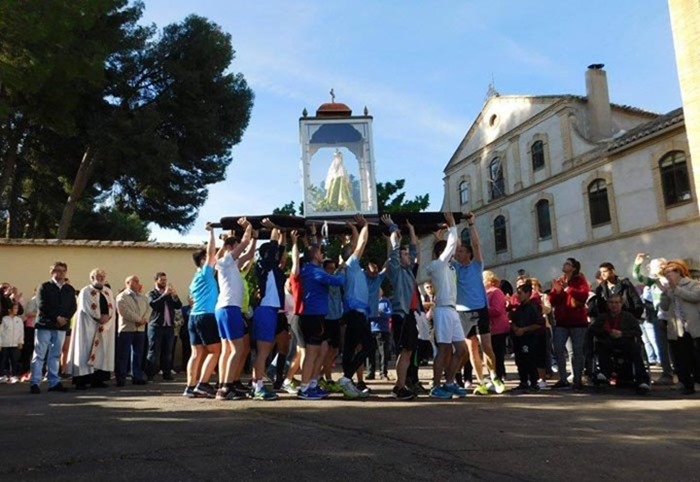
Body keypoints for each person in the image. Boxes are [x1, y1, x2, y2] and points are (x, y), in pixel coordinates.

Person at [453, 212, 505, 395]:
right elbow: (453, 244)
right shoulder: (455, 268)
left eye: (460, 251)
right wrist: (452, 226)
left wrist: (471, 224)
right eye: (457, 251)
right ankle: (481, 382)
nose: (457, 253)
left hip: (480, 310)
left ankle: (494, 377)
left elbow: (475, 243)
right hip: (463, 312)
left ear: (468, 254)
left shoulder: (477, 265)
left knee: (487, 346)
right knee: (471, 349)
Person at [426, 212, 468, 399]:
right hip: (442, 310)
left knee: (461, 350)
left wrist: (439, 237)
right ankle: (436, 387)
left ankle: (449, 382)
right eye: (449, 253)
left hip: (452, 311)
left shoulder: (448, 266)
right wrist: (452, 225)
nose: (453, 254)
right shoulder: (438, 265)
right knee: (444, 349)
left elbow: (451, 246)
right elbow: (451, 246)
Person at [213, 217, 256, 401]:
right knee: (237, 349)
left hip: (225, 308)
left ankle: (223, 386)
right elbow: (244, 244)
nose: (241, 248)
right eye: (237, 246)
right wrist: (247, 227)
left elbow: (249, 254)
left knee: (227, 350)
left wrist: (254, 238)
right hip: (229, 308)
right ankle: (226, 387)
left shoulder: (230, 265)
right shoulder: (226, 260)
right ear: (232, 247)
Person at [298, 238, 345, 400]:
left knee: (318, 351)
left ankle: (311, 384)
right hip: (313, 316)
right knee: (312, 354)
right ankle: (304, 388)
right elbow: (338, 281)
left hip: (314, 315)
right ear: (315, 255)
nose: (322, 254)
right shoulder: (315, 271)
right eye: (320, 252)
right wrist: (342, 268)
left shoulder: (308, 269)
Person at [381, 214, 420, 401]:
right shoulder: (395, 270)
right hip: (400, 314)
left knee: (409, 350)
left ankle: (400, 385)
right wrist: (392, 227)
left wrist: (411, 229)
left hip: (409, 314)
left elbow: (414, 251)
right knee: (404, 350)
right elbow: (395, 250)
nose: (408, 256)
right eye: (404, 254)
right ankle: (399, 386)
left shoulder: (407, 270)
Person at [336, 214, 373, 399]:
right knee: (369, 346)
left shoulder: (349, 265)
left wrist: (353, 230)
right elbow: (362, 242)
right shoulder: (351, 263)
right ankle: (346, 378)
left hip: (354, 313)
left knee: (350, 349)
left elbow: (358, 242)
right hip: (355, 314)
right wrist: (364, 225)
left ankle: (347, 382)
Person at [184, 223, 222, 399]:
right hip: (206, 316)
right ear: (203, 261)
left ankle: (190, 387)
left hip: (193, 317)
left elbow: (216, 255)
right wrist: (212, 232)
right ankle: (203, 384)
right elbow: (212, 252)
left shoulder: (195, 278)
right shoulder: (206, 273)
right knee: (216, 351)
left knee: (196, 353)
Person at [30, 262, 77, 394]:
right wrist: (56, 317)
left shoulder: (69, 289)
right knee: (39, 354)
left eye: (63, 271)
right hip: (45, 325)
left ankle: (54, 382)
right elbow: (42, 305)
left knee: (55, 355)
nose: (60, 273)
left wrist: (65, 318)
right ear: (52, 272)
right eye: (57, 271)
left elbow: (73, 307)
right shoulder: (44, 287)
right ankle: (35, 382)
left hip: (61, 327)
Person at [589, 294, 651, 393]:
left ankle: (641, 380)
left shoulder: (629, 317)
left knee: (636, 350)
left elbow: (638, 332)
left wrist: (622, 334)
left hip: (625, 343)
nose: (614, 305)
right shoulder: (603, 317)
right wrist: (607, 332)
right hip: (608, 343)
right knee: (600, 346)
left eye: (617, 303)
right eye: (611, 302)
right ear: (608, 304)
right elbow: (592, 330)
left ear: (621, 304)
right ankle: (604, 374)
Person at [67, 269, 116, 389]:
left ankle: (98, 379)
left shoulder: (108, 291)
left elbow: (112, 309)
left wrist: (106, 320)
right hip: (88, 326)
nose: (100, 278)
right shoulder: (85, 291)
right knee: (85, 351)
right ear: (92, 277)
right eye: (97, 276)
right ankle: (82, 380)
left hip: (104, 327)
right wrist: (98, 317)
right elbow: (86, 307)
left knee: (102, 352)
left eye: (102, 276)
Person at [660, 259, 700, 395]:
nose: (668, 276)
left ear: (679, 272)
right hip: (677, 328)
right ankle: (685, 382)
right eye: (666, 274)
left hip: (693, 325)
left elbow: (695, 297)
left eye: (670, 273)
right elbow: (664, 307)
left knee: (696, 356)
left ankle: (698, 381)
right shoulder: (669, 289)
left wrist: (677, 289)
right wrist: (665, 294)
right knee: (682, 357)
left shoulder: (692, 284)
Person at [549, 258, 590, 390]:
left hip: (577, 321)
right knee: (558, 348)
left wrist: (567, 289)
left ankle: (577, 379)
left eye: (568, 264)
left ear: (573, 268)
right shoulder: (560, 280)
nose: (564, 265)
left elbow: (583, 295)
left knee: (576, 351)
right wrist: (557, 291)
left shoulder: (579, 280)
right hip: (562, 321)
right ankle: (563, 378)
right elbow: (553, 301)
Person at [633, 254, 674, 385]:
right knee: (661, 345)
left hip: (673, 317)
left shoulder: (671, 279)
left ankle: (681, 371)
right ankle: (667, 373)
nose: (650, 268)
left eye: (653, 266)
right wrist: (637, 264)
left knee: (676, 345)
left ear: (662, 266)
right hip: (658, 316)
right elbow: (638, 277)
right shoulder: (654, 282)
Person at [115, 275, 152, 386]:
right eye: (134, 281)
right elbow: (124, 312)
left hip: (140, 329)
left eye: (138, 280)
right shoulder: (122, 296)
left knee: (138, 354)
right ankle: (121, 378)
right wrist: (138, 319)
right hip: (127, 329)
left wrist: (144, 320)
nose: (137, 282)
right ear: (127, 283)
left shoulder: (143, 297)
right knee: (123, 354)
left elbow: (149, 309)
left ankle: (136, 376)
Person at [146, 272, 182, 382]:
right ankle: (150, 375)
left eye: (165, 280)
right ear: (156, 281)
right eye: (161, 280)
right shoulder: (151, 293)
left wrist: (175, 296)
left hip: (169, 326)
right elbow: (154, 305)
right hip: (156, 326)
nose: (164, 282)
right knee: (153, 351)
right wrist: (164, 295)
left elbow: (178, 306)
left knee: (168, 351)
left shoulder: (169, 293)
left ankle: (167, 374)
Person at [509, 282, 544, 392]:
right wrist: (515, 328)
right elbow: (513, 320)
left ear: (528, 293)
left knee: (530, 360)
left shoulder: (533, 307)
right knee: (520, 360)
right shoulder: (518, 308)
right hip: (518, 338)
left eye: (520, 293)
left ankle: (534, 383)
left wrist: (524, 330)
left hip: (529, 338)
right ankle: (523, 381)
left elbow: (538, 323)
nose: (518, 296)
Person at [483, 271, 510, 383]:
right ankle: (493, 375)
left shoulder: (496, 292)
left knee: (497, 354)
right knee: (491, 352)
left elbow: (497, 310)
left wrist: (482, 310)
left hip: (498, 328)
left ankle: (498, 376)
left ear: (489, 280)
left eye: (483, 279)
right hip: (490, 328)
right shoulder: (485, 292)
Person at [368, 288, 392, 380]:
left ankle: (383, 373)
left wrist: (380, 313)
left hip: (383, 330)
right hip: (371, 329)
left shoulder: (386, 302)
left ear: (382, 292)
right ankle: (370, 372)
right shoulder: (370, 300)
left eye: (379, 290)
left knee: (383, 353)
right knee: (370, 352)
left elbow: (389, 314)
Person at [0, 302, 24, 383]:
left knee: (14, 360)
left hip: (15, 344)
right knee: (3, 360)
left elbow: (21, 331)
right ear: (9, 310)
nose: (16, 310)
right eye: (14, 308)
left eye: (17, 308)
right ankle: (2, 375)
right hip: (5, 343)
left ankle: (14, 375)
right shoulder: (4, 319)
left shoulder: (19, 320)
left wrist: (20, 341)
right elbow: (1, 332)